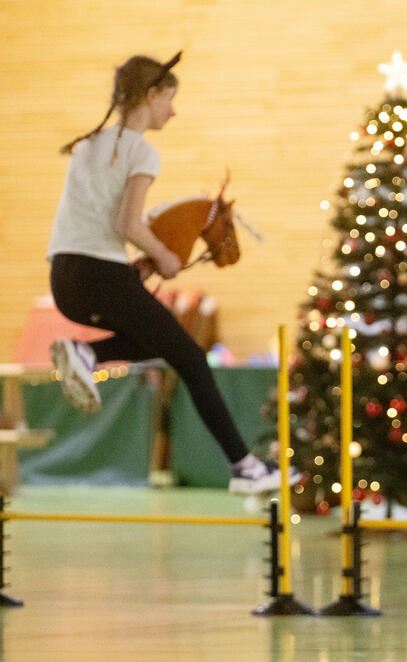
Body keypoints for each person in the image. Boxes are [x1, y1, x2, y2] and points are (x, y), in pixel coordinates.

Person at [46, 52, 297, 496]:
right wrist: (163, 256)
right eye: (170, 99)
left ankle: (87, 356)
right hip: (99, 274)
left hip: (66, 277)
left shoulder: (89, 144)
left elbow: (97, 224)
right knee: (191, 357)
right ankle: (245, 468)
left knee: (163, 342)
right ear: (152, 94)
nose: (173, 111)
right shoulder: (142, 150)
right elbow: (127, 223)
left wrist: (134, 263)